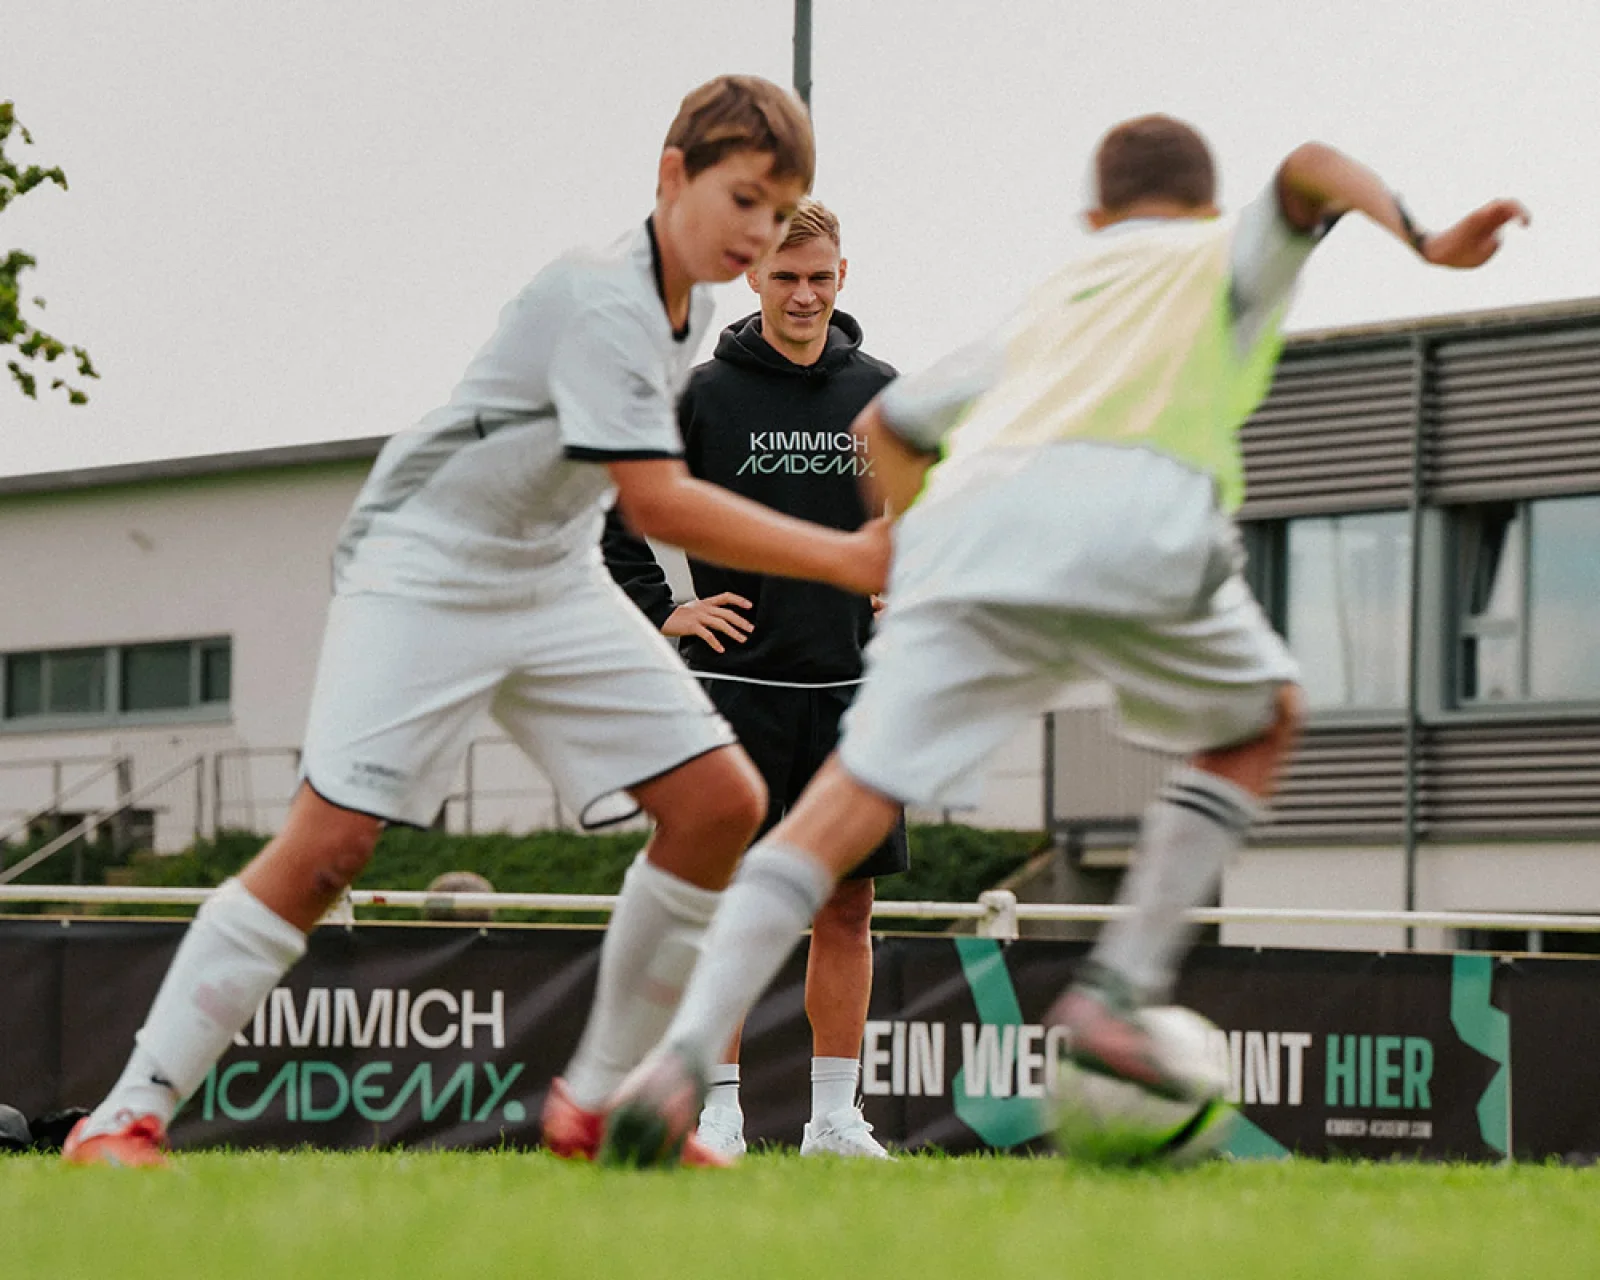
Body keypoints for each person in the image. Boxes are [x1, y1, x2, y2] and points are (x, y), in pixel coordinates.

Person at [598, 115, 1530, 1163]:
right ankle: (1117, 990)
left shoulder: (1054, 300)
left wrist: (911, 575)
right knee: (1261, 721)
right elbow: (1309, 165)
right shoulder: (1214, 250)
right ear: (1209, 211)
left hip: (982, 540)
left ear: (1093, 218)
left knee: (839, 808)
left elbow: (885, 433)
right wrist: (1425, 237)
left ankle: (680, 1058)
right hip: (1139, 519)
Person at [61, 74, 890, 1169]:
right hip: (425, 566)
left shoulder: (684, 310)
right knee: (329, 848)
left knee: (714, 804)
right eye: (742, 201)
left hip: (544, 573)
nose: (757, 233)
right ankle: (123, 1114)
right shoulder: (600, 293)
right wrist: (848, 555)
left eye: (778, 212)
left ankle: (594, 1103)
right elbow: (652, 502)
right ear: (670, 176)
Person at [601, 197, 905, 1158]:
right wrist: (670, 611)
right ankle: (721, 1112)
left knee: (846, 907)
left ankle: (832, 1121)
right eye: (786, 277)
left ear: (843, 278)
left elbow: (935, 519)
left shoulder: (887, 395)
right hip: (737, 697)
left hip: (858, 700)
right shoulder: (702, 397)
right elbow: (618, 525)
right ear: (754, 280)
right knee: (728, 906)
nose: (804, 295)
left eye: (820, 277)